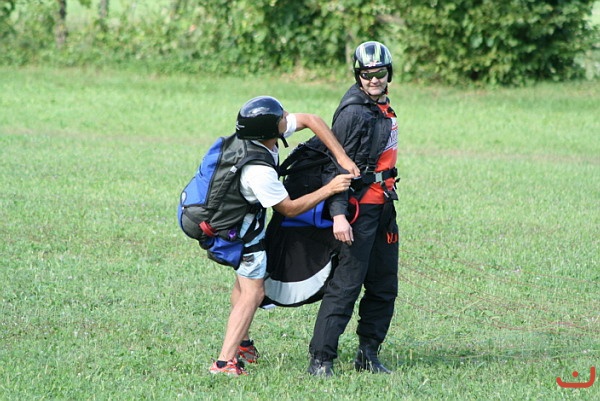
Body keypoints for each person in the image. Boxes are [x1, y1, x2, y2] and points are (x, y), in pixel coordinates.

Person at [209, 96, 359, 376]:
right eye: (281, 118)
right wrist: (330, 188)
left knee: (243, 284)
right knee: (254, 292)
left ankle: (243, 345)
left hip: (231, 220)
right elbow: (289, 209)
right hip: (237, 230)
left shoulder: (257, 137)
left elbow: (311, 120)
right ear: (270, 131)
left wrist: (342, 157)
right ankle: (223, 362)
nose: (287, 117)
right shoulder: (259, 172)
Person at [307, 41, 399, 377]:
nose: (374, 79)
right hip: (358, 212)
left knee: (384, 285)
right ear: (357, 75)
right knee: (346, 286)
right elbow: (335, 167)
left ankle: (368, 355)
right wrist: (339, 215)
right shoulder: (354, 113)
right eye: (366, 74)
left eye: (379, 73)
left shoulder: (380, 106)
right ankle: (321, 360)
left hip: (383, 207)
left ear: (389, 74)